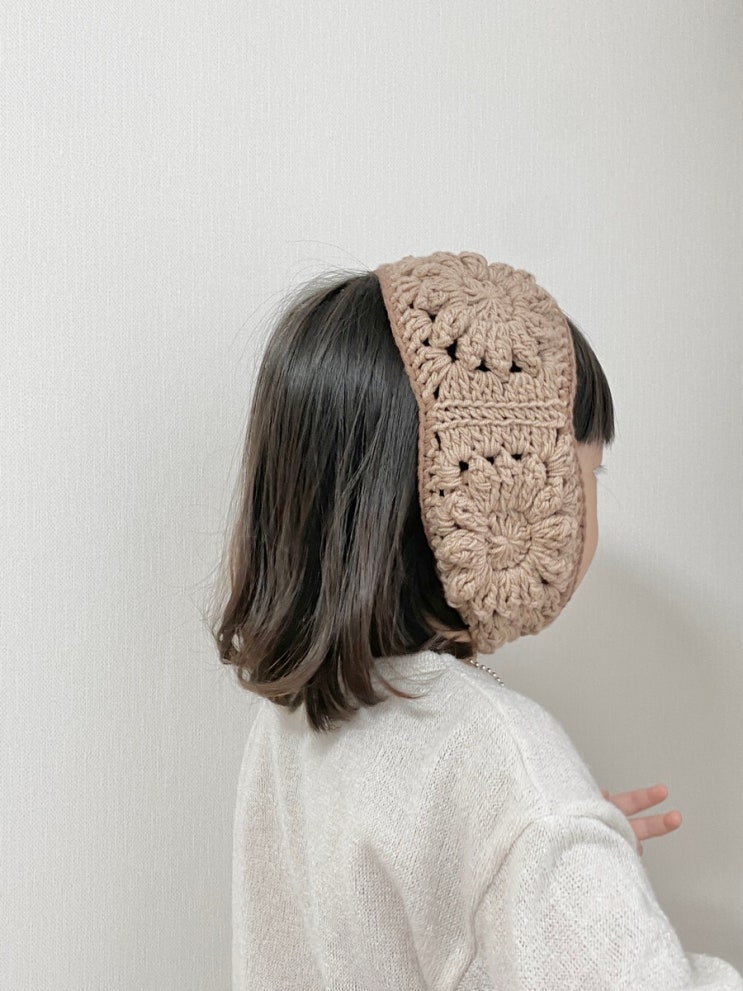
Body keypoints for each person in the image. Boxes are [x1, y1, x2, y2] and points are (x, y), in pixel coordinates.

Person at [207, 251, 742, 989]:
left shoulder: (297, 717)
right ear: (502, 492)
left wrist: (548, 861)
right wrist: (540, 826)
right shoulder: (503, 761)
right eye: (587, 471)